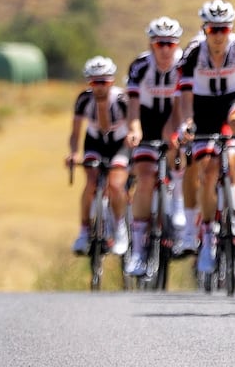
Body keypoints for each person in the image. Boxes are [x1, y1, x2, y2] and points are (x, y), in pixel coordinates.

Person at [174, 0, 235, 277]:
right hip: (203, 107)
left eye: (223, 29)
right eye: (212, 30)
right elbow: (184, 95)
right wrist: (187, 122)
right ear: (204, 29)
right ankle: (206, 238)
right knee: (207, 171)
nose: (218, 35)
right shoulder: (194, 51)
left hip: (233, 100)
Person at [124, 16, 186, 276]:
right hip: (146, 120)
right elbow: (134, 105)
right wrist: (134, 129)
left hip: (174, 115)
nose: (164, 49)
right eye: (159, 44)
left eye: (170, 44)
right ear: (151, 44)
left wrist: (177, 131)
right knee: (146, 178)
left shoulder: (184, 64)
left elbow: (183, 102)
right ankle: (138, 250)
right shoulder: (140, 66)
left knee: (178, 156)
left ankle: (180, 208)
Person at [66, 56, 131, 257]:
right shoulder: (84, 99)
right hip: (94, 142)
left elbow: (132, 128)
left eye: (104, 82)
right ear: (89, 82)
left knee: (115, 185)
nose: (100, 87)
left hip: (118, 144)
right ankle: (84, 230)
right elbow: (76, 132)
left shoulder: (121, 100)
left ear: (111, 81)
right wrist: (74, 153)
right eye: (95, 82)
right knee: (91, 183)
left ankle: (120, 227)